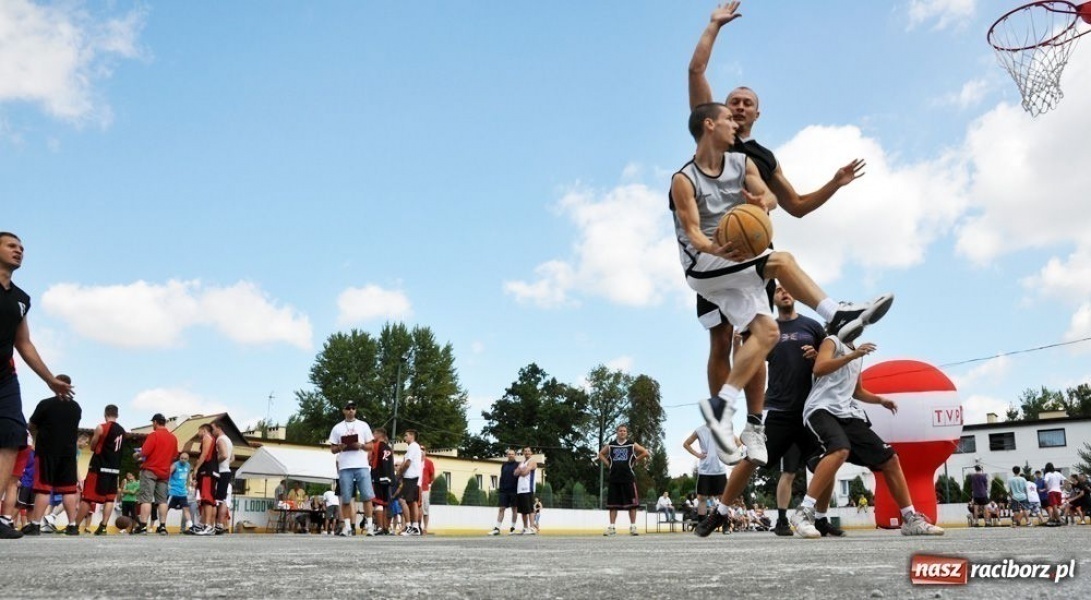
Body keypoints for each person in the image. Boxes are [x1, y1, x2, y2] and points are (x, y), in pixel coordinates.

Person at [685, 3, 868, 466]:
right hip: (716, 253)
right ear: (719, 113)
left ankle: (753, 423)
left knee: (758, 336)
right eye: (733, 100)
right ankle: (723, 425)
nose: (738, 106)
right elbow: (696, 70)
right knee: (721, 338)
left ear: (758, 113)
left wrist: (833, 183)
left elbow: (796, 205)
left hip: (752, 253)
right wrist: (714, 26)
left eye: (747, 102)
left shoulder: (763, 157)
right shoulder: (711, 135)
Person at [673, 102, 894, 465]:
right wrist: (714, 248)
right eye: (728, 117)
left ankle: (722, 408)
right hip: (705, 263)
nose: (734, 122)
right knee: (780, 261)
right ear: (709, 125)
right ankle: (835, 314)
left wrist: (764, 200)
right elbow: (693, 231)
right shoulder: (684, 179)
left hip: (740, 261)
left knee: (767, 334)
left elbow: (773, 196)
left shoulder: (744, 162)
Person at [784, 334, 943, 537]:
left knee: (890, 459)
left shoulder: (857, 354)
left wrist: (880, 400)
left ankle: (910, 519)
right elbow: (819, 368)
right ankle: (804, 512)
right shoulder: (832, 341)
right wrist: (852, 356)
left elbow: (856, 391)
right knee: (840, 449)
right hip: (820, 409)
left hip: (847, 413)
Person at [0, 231, 75, 539]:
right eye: (11, 246)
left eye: (21, 248)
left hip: (5, 377)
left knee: (11, 436)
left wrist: (49, 378)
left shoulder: (21, 299)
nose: (19, 251)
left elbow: (24, 342)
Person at [22, 375, 81, 536]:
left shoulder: (45, 404)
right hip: (68, 454)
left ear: (56, 385)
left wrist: (38, 434)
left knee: (43, 488)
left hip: (47, 451)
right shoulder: (76, 407)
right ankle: (72, 525)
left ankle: (35, 525)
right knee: (69, 490)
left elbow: (31, 425)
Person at [74, 405, 125, 536]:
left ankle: (74, 526)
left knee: (87, 498)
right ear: (117, 415)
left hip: (99, 467)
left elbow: (92, 446)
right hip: (114, 469)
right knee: (109, 499)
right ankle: (103, 527)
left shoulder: (101, 427)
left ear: (105, 414)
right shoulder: (122, 431)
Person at [329, 401, 375, 536]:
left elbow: (371, 446)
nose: (351, 410)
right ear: (343, 410)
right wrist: (340, 447)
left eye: (353, 408)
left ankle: (370, 526)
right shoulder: (337, 428)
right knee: (346, 498)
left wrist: (360, 446)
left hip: (361, 465)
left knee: (367, 496)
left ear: (356, 410)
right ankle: (347, 527)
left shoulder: (363, 425)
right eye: (348, 408)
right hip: (345, 466)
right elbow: (332, 449)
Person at [598, 424, 649, 536]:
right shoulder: (611, 445)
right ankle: (612, 528)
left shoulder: (631, 444)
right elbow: (600, 454)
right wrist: (608, 464)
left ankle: (633, 527)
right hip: (614, 478)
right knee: (612, 505)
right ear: (617, 432)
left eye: (624, 431)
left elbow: (645, 452)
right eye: (620, 430)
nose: (622, 432)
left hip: (628, 478)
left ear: (627, 433)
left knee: (632, 505)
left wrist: (635, 461)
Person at [134, 413, 178, 535]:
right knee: (162, 500)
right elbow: (174, 455)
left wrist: (137, 455)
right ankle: (162, 526)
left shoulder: (154, 435)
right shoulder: (173, 438)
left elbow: (144, 452)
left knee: (146, 499)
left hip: (150, 470)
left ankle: (143, 526)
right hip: (164, 472)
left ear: (155, 422)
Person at [682, 424, 726, 525]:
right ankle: (702, 524)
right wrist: (697, 454)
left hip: (719, 468)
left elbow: (737, 442)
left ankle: (726, 524)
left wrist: (728, 454)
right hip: (705, 469)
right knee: (702, 498)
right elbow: (686, 444)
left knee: (723, 498)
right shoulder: (700, 430)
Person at [396, 429, 423, 537]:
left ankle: (408, 526)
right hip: (414, 477)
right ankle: (415, 527)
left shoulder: (412, 446)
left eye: (406, 435)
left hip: (411, 477)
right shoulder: (414, 447)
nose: (404, 437)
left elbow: (407, 463)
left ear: (412, 436)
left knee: (402, 500)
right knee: (413, 502)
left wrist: (399, 473)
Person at [192, 423, 217, 535]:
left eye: (199, 431)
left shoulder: (207, 437)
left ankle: (208, 525)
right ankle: (205, 525)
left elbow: (204, 454)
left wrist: (196, 468)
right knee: (206, 499)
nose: (198, 433)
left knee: (207, 499)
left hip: (207, 471)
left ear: (204, 430)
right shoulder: (211, 438)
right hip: (208, 471)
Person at [209, 420, 234, 535]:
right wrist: (226, 463)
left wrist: (212, 463)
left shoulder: (220, 439)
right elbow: (232, 457)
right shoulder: (228, 440)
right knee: (222, 499)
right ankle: (219, 525)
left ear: (219, 428)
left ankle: (211, 525)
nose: (212, 432)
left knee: (215, 499)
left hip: (220, 472)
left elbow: (224, 455)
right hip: (226, 470)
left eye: (213, 429)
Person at [369, 427, 395, 535]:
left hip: (378, 477)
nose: (373, 435)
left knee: (378, 502)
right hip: (388, 478)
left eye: (374, 433)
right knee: (385, 503)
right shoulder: (389, 448)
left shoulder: (375, 445)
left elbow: (371, 461)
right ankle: (385, 527)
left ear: (380, 434)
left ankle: (379, 527)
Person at [489, 448, 520, 536]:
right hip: (504, 491)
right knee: (501, 509)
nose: (510, 455)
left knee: (514, 509)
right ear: (507, 455)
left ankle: (512, 529)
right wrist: (501, 489)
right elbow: (502, 477)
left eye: (512, 454)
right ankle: (497, 529)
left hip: (514, 491)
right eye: (509, 454)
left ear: (515, 455)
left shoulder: (518, 465)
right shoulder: (504, 465)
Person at [165, 451, 194, 534]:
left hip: (183, 493)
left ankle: (190, 527)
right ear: (179, 458)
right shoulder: (175, 465)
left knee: (186, 509)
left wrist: (188, 486)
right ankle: (162, 525)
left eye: (185, 459)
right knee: (166, 508)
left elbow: (188, 477)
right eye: (182, 458)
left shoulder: (188, 466)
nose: (183, 460)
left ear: (188, 459)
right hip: (173, 492)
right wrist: (168, 485)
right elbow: (168, 474)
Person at [515, 446, 537, 535]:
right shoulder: (522, 462)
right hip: (520, 490)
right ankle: (525, 528)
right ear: (523, 453)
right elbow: (515, 473)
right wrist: (521, 470)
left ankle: (532, 528)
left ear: (531, 453)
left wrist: (520, 470)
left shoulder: (532, 461)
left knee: (530, 510)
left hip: (528, 489)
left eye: (528, 451)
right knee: (523, 511)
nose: (527, 452)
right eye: (525, 451)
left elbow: (524, 473)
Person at [420, 445, 435, 535]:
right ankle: (417, 526)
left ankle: (425, 527)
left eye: (423, 449)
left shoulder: (429, 463)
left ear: (426, 451)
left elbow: (432, 475)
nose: (421, 451)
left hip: (425, 489)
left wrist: (428, 484)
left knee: (425, 509)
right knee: (416, 508)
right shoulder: (415, 461)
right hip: (415, 488)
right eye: (420, 449)